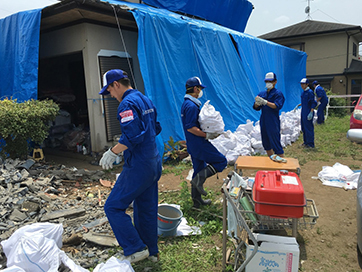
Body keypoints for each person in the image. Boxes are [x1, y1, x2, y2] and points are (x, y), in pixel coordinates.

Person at [98, 69, 162, 263]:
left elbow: (132, 135)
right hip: (153, 162)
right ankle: (151, 252)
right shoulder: (145, 99)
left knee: (113, 207)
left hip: (139, 166)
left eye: (109, 90)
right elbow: (155, 128)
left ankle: (135, 248)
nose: (110, 94)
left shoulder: (126, 104)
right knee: (146, 208)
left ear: (116, 84)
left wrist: (113, 151)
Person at [181, 76, 227, 208]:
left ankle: (197, 202)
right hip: (199, 143)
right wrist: (207, 135)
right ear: (195, 88)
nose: (201, 91)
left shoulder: (187, 103)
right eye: (200, 88)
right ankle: (198, 181)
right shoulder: (191, 106)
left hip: (193, 144)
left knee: (199, 169)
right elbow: (191, 127)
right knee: (221, 161)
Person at [253, 72, 286, 162]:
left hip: (273, 121)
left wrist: (265, 102)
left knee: (275, 142)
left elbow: (277, 106)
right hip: (264, 120)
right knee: (266, 143)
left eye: (270, 81)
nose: (268, 83)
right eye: (266, 81)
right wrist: (257, 103)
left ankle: (282, 164)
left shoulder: (278, 94)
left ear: (275, 82)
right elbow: (256, 108)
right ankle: (271, 161)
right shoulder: (262, 93)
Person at [297, 78, 317, 148]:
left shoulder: (310, 92)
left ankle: (310, 144)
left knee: (308, 128)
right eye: (301, 84)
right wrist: (300, 104)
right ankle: (305, 142)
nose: (302, 85)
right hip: (303, 112)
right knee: (304, 128)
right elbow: (305, 101)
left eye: (303, 84)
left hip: (308, 112)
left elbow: (313, 103)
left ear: (307, 84)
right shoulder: (303, 92)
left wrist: (311, 112)